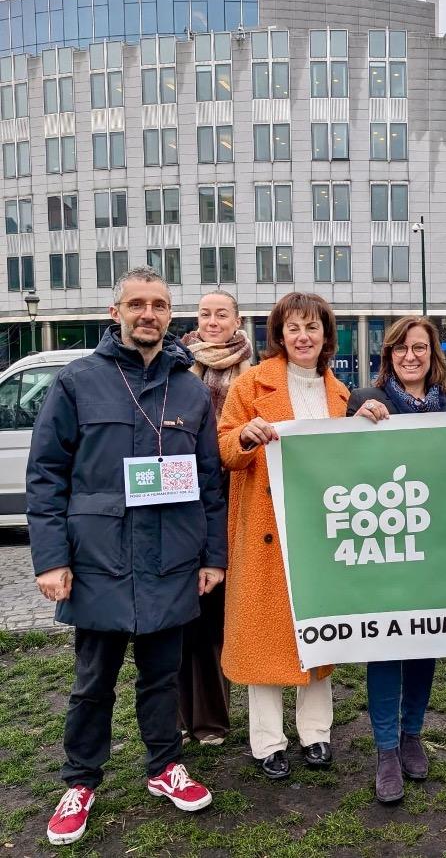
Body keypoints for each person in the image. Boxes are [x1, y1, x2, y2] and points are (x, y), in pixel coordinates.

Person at [26, 267, 227, 846]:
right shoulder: (78, 382)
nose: (148, 314)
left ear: (171, 314)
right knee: (93, 683)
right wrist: (49, 559)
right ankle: (81, 780)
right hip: (99, 563)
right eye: (136, 304)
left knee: (162, 678)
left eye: (159, 304)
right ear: (116, 313)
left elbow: (209, 485)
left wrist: (212, 558)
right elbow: (46, 477)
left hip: (171, 563)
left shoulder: (189, 388)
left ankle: (164, 768)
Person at [218, 293, 349, 780]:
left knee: (319, 632)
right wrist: (247, 436)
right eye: (293, 328)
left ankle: (316, 734)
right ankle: (268, 741)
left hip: (323, 531)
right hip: (267, 530)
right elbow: (226, 449)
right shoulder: (251, 384)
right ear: (278, 335)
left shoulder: (341, 394)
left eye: (312, 327)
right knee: (263, 636)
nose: (303, 336)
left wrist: (371, 419)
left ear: (326, 336)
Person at [347, 316, 446, 804]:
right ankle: (385, 749)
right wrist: (355, 425)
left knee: (423, 644)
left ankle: (413, 733)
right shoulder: (365, 402)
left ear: (433, 354)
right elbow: (345, 461)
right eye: (400, 348)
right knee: (386, 645)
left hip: (436, 546)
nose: (410, 356)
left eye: (420, 347)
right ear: (388, 355)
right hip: (387, 543)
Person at [177, 291, 253, 746]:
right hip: (186, 498)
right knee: (188, 612)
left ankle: (213, 717)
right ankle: (185, 716)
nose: (212, 321)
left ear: (237, 320)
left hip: (236, 496)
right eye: (205, 314)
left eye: (221, 314)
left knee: (223, 610)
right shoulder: (179, 366)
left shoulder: (255, 370)